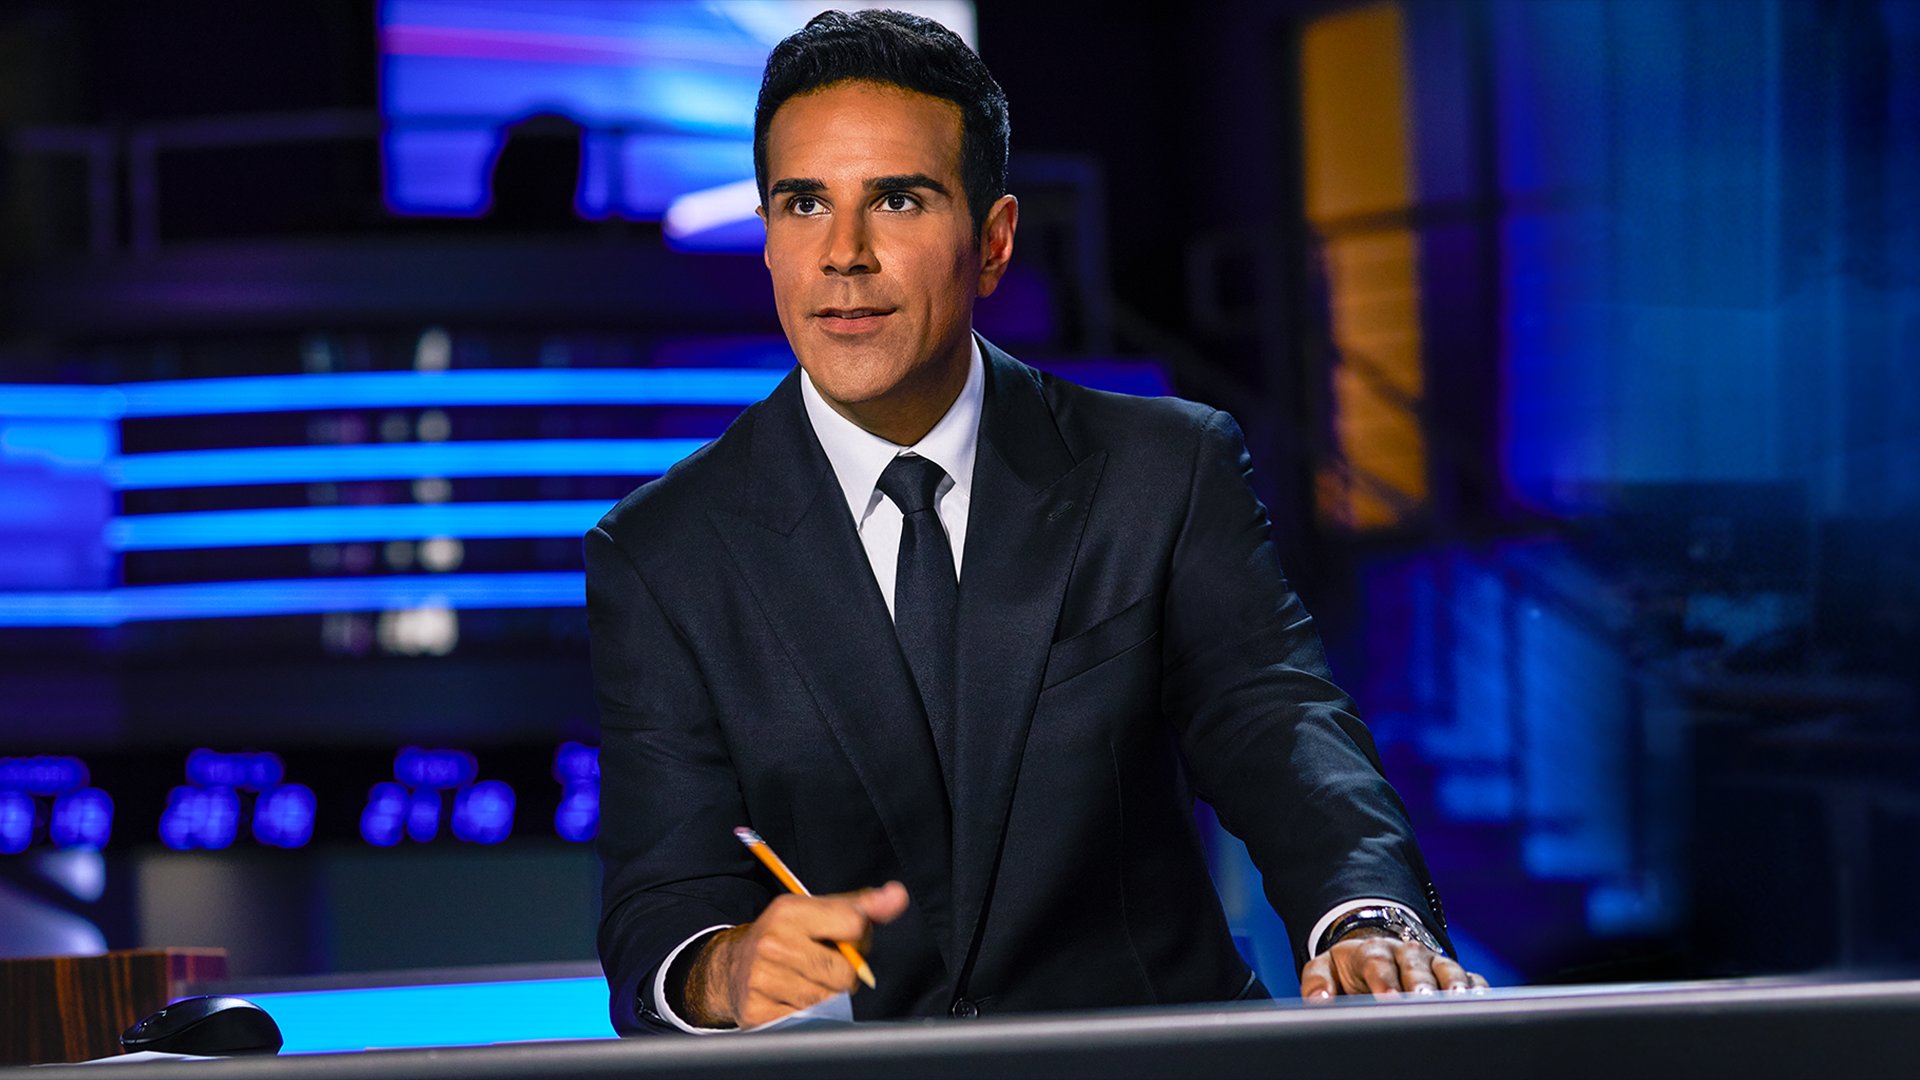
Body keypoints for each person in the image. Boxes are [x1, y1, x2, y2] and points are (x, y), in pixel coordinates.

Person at [586, 8, 1486, 1034]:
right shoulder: (662, 552)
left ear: (994, 241)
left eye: (897, 199)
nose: (843, 254)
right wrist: (721, 969)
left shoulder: (1164, 469)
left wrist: (1363, 916)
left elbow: (1278, 728)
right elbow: (661, 901)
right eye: (804, 204)